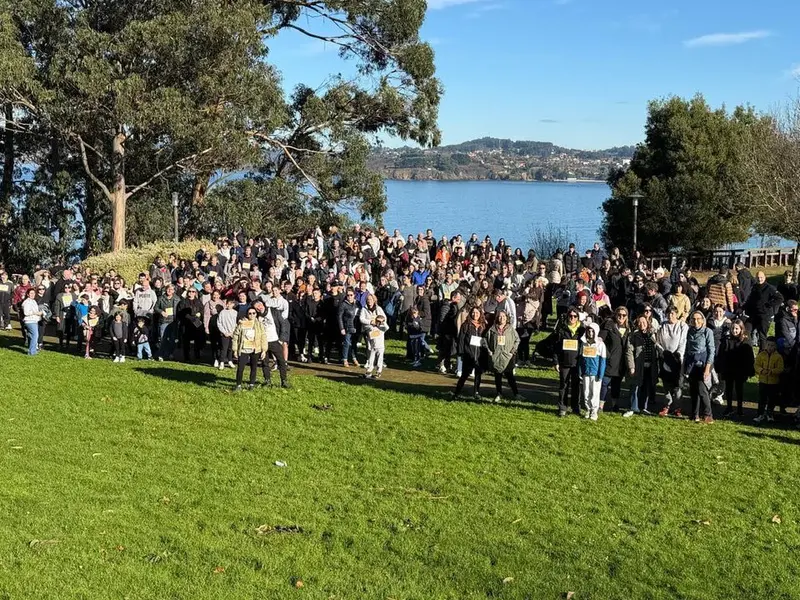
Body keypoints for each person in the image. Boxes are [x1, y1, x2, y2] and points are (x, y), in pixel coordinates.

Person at [717, 319, 754, 418]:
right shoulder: (727, 340)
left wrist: (749, 371)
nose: (734, 331)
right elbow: (722, 354)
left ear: (741, 329)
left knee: (739, 389)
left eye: (737, 329)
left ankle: (740, 409)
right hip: (729, 369)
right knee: (728, 389)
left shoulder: (745, 340)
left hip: (740, 370)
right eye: (733, 328)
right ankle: (729, 407)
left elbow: (749, 357)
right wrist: (720, 368)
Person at [684, 311, 715, 424]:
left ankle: (708, 415)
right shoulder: (690, 331)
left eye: (698, 319)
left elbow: (711, 351)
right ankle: (694, 414)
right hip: (691, 364)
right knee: (693, 390)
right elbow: (687, 349)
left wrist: (707, 368)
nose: (696, 321)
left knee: (702, 390)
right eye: (693, 319)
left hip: (703, 364)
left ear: (702, 320)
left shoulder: (708, 332)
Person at [624, 314, 659, 417]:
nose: (641, 324)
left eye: (643, 322)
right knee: (634, 387)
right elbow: (629, 352)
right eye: (639, 322)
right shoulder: (633, 336)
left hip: (650, 366)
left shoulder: (652, 335)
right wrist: (631, 367)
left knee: (646, 387)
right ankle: (632, 408)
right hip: (638, 365)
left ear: (647, 323)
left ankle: (643, 407)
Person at [656, 306, 688, 417]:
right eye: (668, 313)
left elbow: (683, 341)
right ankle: (667, 405)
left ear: (677, 314)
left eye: (673, 313)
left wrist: (678, 355)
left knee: (677, 385)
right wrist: (663, 352)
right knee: (666, 385)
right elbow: (658, 341)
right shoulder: (662, 326)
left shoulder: (682, 326)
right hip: (665, 358)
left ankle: (678, 407)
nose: (670, 316)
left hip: (678, 359)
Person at [553, 308, 584, 417]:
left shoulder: (582, 330)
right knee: (563, 386)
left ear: (578, 318)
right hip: (564, 363)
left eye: (575, 316)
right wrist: (556, 362)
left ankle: (576, 407)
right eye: (570, 316)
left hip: (577, 363)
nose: (572, 318)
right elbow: (556, 347)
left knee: (576, 387)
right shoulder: (562, 330)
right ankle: (562, 407)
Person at [485, 310, 521, 402]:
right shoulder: (492, 329)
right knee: (498, 376)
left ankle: (516, 394)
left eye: (504, 316)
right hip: (496, 356)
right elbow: (485, 340)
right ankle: (499, 393)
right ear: (497, 318)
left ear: (506, 318)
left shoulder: (511, 329)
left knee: (510, 376)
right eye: (500, 316)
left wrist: (512, 352)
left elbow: (517, 340)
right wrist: (489, 351)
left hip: (507, 357)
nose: (502, 318)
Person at [599, 307, 629, 412]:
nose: (621, 317)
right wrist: (606, 355)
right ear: (615, 315)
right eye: (619, 314)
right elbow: (600, 340)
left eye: (624, 315)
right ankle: (600, 405)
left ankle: (614, 405)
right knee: (604, 383)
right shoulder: (609, 325)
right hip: (609, 361)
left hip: (621, 363)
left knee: (616, 385)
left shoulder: (628, 329)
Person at [452, 307, 486, 399]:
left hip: (479, 355)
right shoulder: (466, 325)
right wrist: (461, 353)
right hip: (468, 354)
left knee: (478, 375)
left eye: (477, 312)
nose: (475, 314)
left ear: (480, 314)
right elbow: (461, 340)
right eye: (473, 312)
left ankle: (476, 392)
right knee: (464, 375)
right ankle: (457, 393)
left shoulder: (483, 325)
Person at [744, 271, 783, 349]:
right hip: (754, 314)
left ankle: (762, 353)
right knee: (747, 331)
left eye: (761, 277)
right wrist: (744, 307)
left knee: (762, 335)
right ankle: (748, 350)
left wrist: (769, 304)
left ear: (764, 278)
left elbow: (780, 298)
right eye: (758, 278)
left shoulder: (769, 288)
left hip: (765, 315)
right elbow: (750, 300)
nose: (759, 279)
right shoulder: (754, 287)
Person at [232, 307, 267, 391]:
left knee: (254, 367)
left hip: (255, 349)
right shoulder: (242, 323)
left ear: (256, 314)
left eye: (254, 313)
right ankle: (238, 385)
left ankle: (251, 384)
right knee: (240, 368)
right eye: (250, 313)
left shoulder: (259, 324)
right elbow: (235, 336)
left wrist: (264, 350)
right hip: (243, 349)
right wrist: (235, 350)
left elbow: (263, 336)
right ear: (247, 314)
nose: (252, 315)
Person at [578, 322, 606, 421]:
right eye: (588, 331)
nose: (590, 333)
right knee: (586, 392)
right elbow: (581, 359)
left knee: (595, 393)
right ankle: (588, 409)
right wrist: (580, 371)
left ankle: (594, 411)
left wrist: (601, 374)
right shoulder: (584, 343)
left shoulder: (601, 345)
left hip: (596, 374)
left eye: (592, 331)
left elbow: (603, 361)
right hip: (586, 372)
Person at [754, 336, 783, 423]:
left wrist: (772, 371)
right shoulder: (761, 355)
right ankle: (760, 414)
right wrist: (761, 371)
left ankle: (770, 414)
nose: (770, 347)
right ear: (765, 345)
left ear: (776, 346)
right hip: (763, 381)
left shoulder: (778, 357)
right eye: (768, 345)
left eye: (772, 345)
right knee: (762, 399)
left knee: (772, 399)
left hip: (773, 382)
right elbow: (756, 365)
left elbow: (780, 368)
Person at [359, 294, 389, 379]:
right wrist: (370, 322)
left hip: (379, 334)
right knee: (371, 351)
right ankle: (369, 370)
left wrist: (380, 323)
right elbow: (361, 319)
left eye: (371, 299)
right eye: (368, 299)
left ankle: (379, 371)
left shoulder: (378, 309)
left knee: (379, 354)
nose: (369, 301)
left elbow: (384, 320)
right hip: (370, 332)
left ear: (374, 300)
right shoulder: (364, 308)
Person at [337, 287, 360, 367]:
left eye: (351, 295)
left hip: (355, 327)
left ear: (354, 295)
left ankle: (354, 358)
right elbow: (339, 317)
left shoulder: (357, 304)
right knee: (346, 343)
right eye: (348, 295)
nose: (349, 297)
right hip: (347, 326)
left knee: (354, 344)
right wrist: (341, 328)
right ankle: (345, 359)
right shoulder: (343, 304)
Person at [216, 298, 238, 370]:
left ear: (233, 305)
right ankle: (221, 362)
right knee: (224, 348)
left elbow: (236, 324)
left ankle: (230, 360)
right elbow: (219, 323)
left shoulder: (235, 313)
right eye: (228, 303)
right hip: (224, 334)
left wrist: (232, 332)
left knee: (230, 348)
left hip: (232, 334)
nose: (229, 305)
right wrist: (224, 332)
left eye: (231, 304)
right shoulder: (222, 312)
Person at [21, 288, 42, 356]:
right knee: (35, 335)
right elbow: (26, 312)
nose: (32, 294)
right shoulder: (26, 302)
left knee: (31, 336)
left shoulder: (33, 301)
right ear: (28, 294)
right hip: (30, 321)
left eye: (33, 293)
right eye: (31, 293)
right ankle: (32, 352)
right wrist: (36, 313)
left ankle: (32, 350)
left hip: (33, 320)